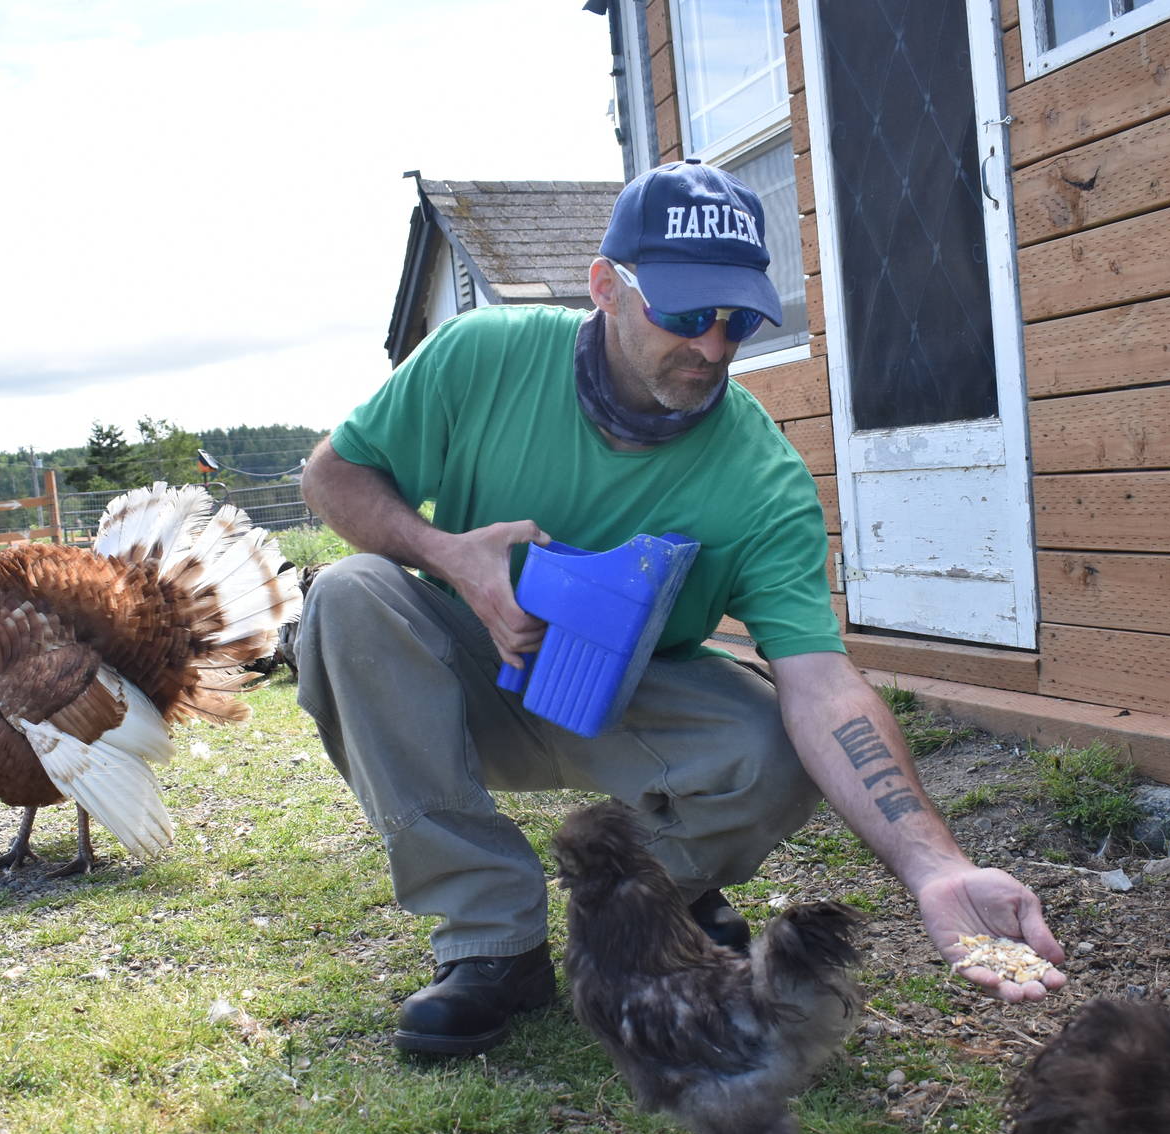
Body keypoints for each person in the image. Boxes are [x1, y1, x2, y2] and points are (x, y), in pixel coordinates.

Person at [297, 160, 1064, 1057]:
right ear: (605, 287)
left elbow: (823, 684)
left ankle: (652, 900)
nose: (713, 346)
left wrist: (939, 867)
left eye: (737, 319)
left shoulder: (761, 478)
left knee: (778, 742)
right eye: (686, 315)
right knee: (346, 595)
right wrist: (449, 556)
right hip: (470, 674)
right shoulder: (482, 356)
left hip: (633, 701)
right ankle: (491, 941)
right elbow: (330, 476)